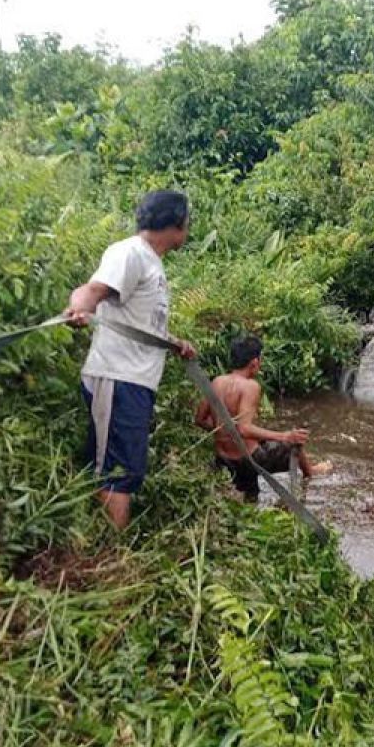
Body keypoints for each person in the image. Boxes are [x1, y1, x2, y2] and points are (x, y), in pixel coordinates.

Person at [64, 190, 197, 530]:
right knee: (117, 472)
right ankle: (113, 554)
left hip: (135, 383)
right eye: (187, 222)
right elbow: (92, 290)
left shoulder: (152, 264)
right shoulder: (130, 253)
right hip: (117, 378)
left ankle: (109, 547)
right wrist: (81, 307)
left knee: (127, 470)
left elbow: (141, 324)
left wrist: (174, 343)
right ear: (175, 224)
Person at [195, 335, 331, 502]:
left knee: (248, 501)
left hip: (223, 459)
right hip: (247, 460)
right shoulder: (250, 386)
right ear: (254, 362)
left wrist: (224, 433)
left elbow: (200, 419)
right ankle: (311, 472)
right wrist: (285, 436)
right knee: (294, 444)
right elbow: (244, 429)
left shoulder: (216, 382)